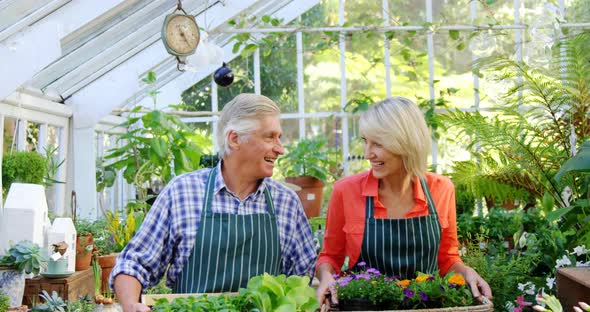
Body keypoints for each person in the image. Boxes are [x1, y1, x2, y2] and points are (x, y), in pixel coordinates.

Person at [111, 93, 317, 312]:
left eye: (280, 137)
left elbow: (304, 278)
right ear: (234, 139)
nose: (280, 148)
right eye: (270, 137)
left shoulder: (285, 203)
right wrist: (132, 305)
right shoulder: (183, 192)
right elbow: (133, 264)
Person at [316, 96, 492, 307]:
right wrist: (326, 276)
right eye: (365, 141)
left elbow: (447, 259)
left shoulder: (441, 190)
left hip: (426, 308)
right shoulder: (346, 191)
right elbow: (330, 257)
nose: (367, 154)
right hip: (363, 307)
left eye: (378, 144)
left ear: (406, 143)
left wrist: (466, 272)